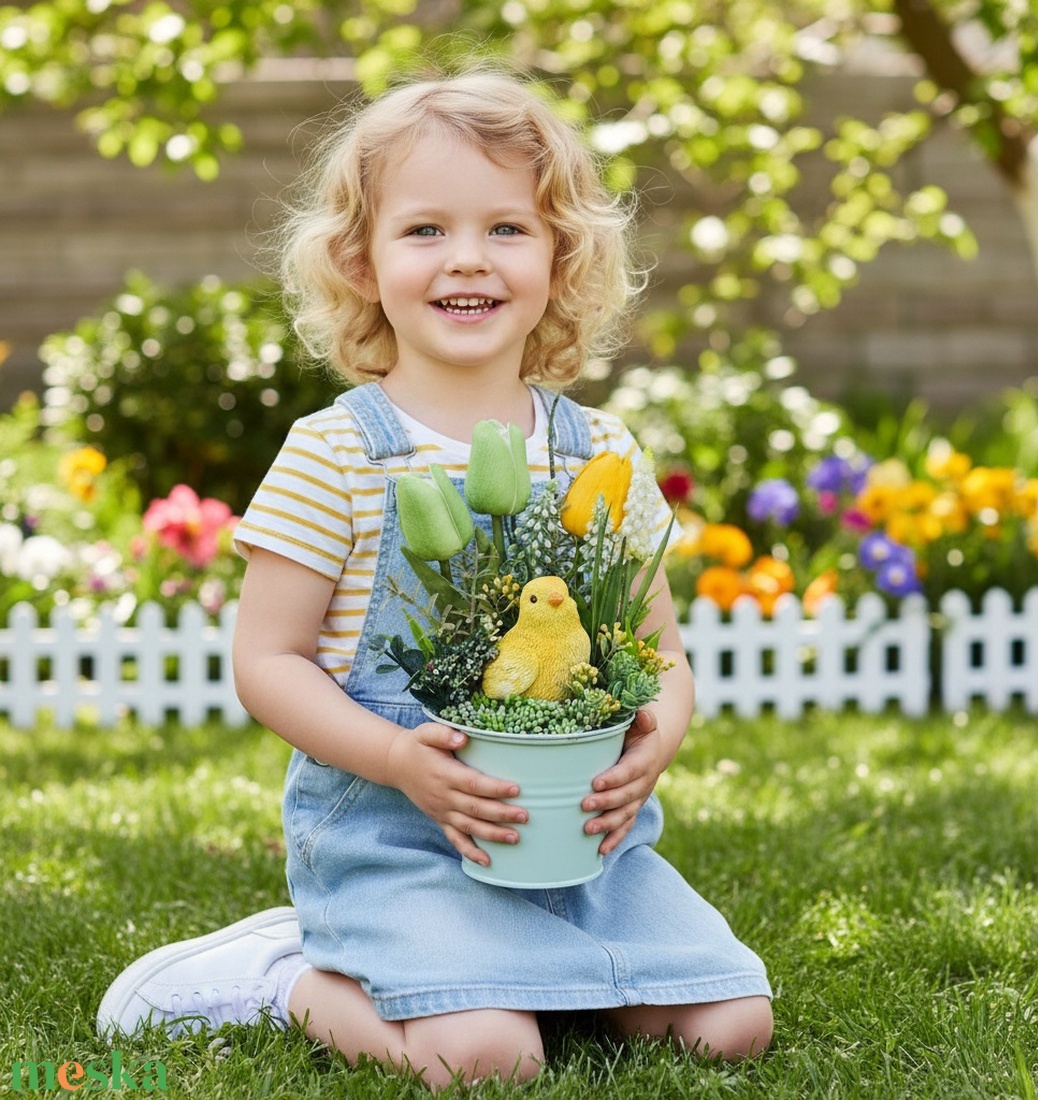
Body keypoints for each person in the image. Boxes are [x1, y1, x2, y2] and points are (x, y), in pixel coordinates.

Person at [96, 68, 773, 1087]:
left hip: (583, 849)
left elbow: (659, 655)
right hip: (398, 847)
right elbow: (267, 661)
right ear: (360, 261)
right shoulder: (336, 454)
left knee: (731, 1023)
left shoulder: (599, 450)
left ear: (560, 255)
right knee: (490, 1057)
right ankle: (291, 974)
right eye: (424, 231)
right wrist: (399, 759)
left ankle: (526, 967)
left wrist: (654, 743)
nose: (467, 258)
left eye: (507, 228)